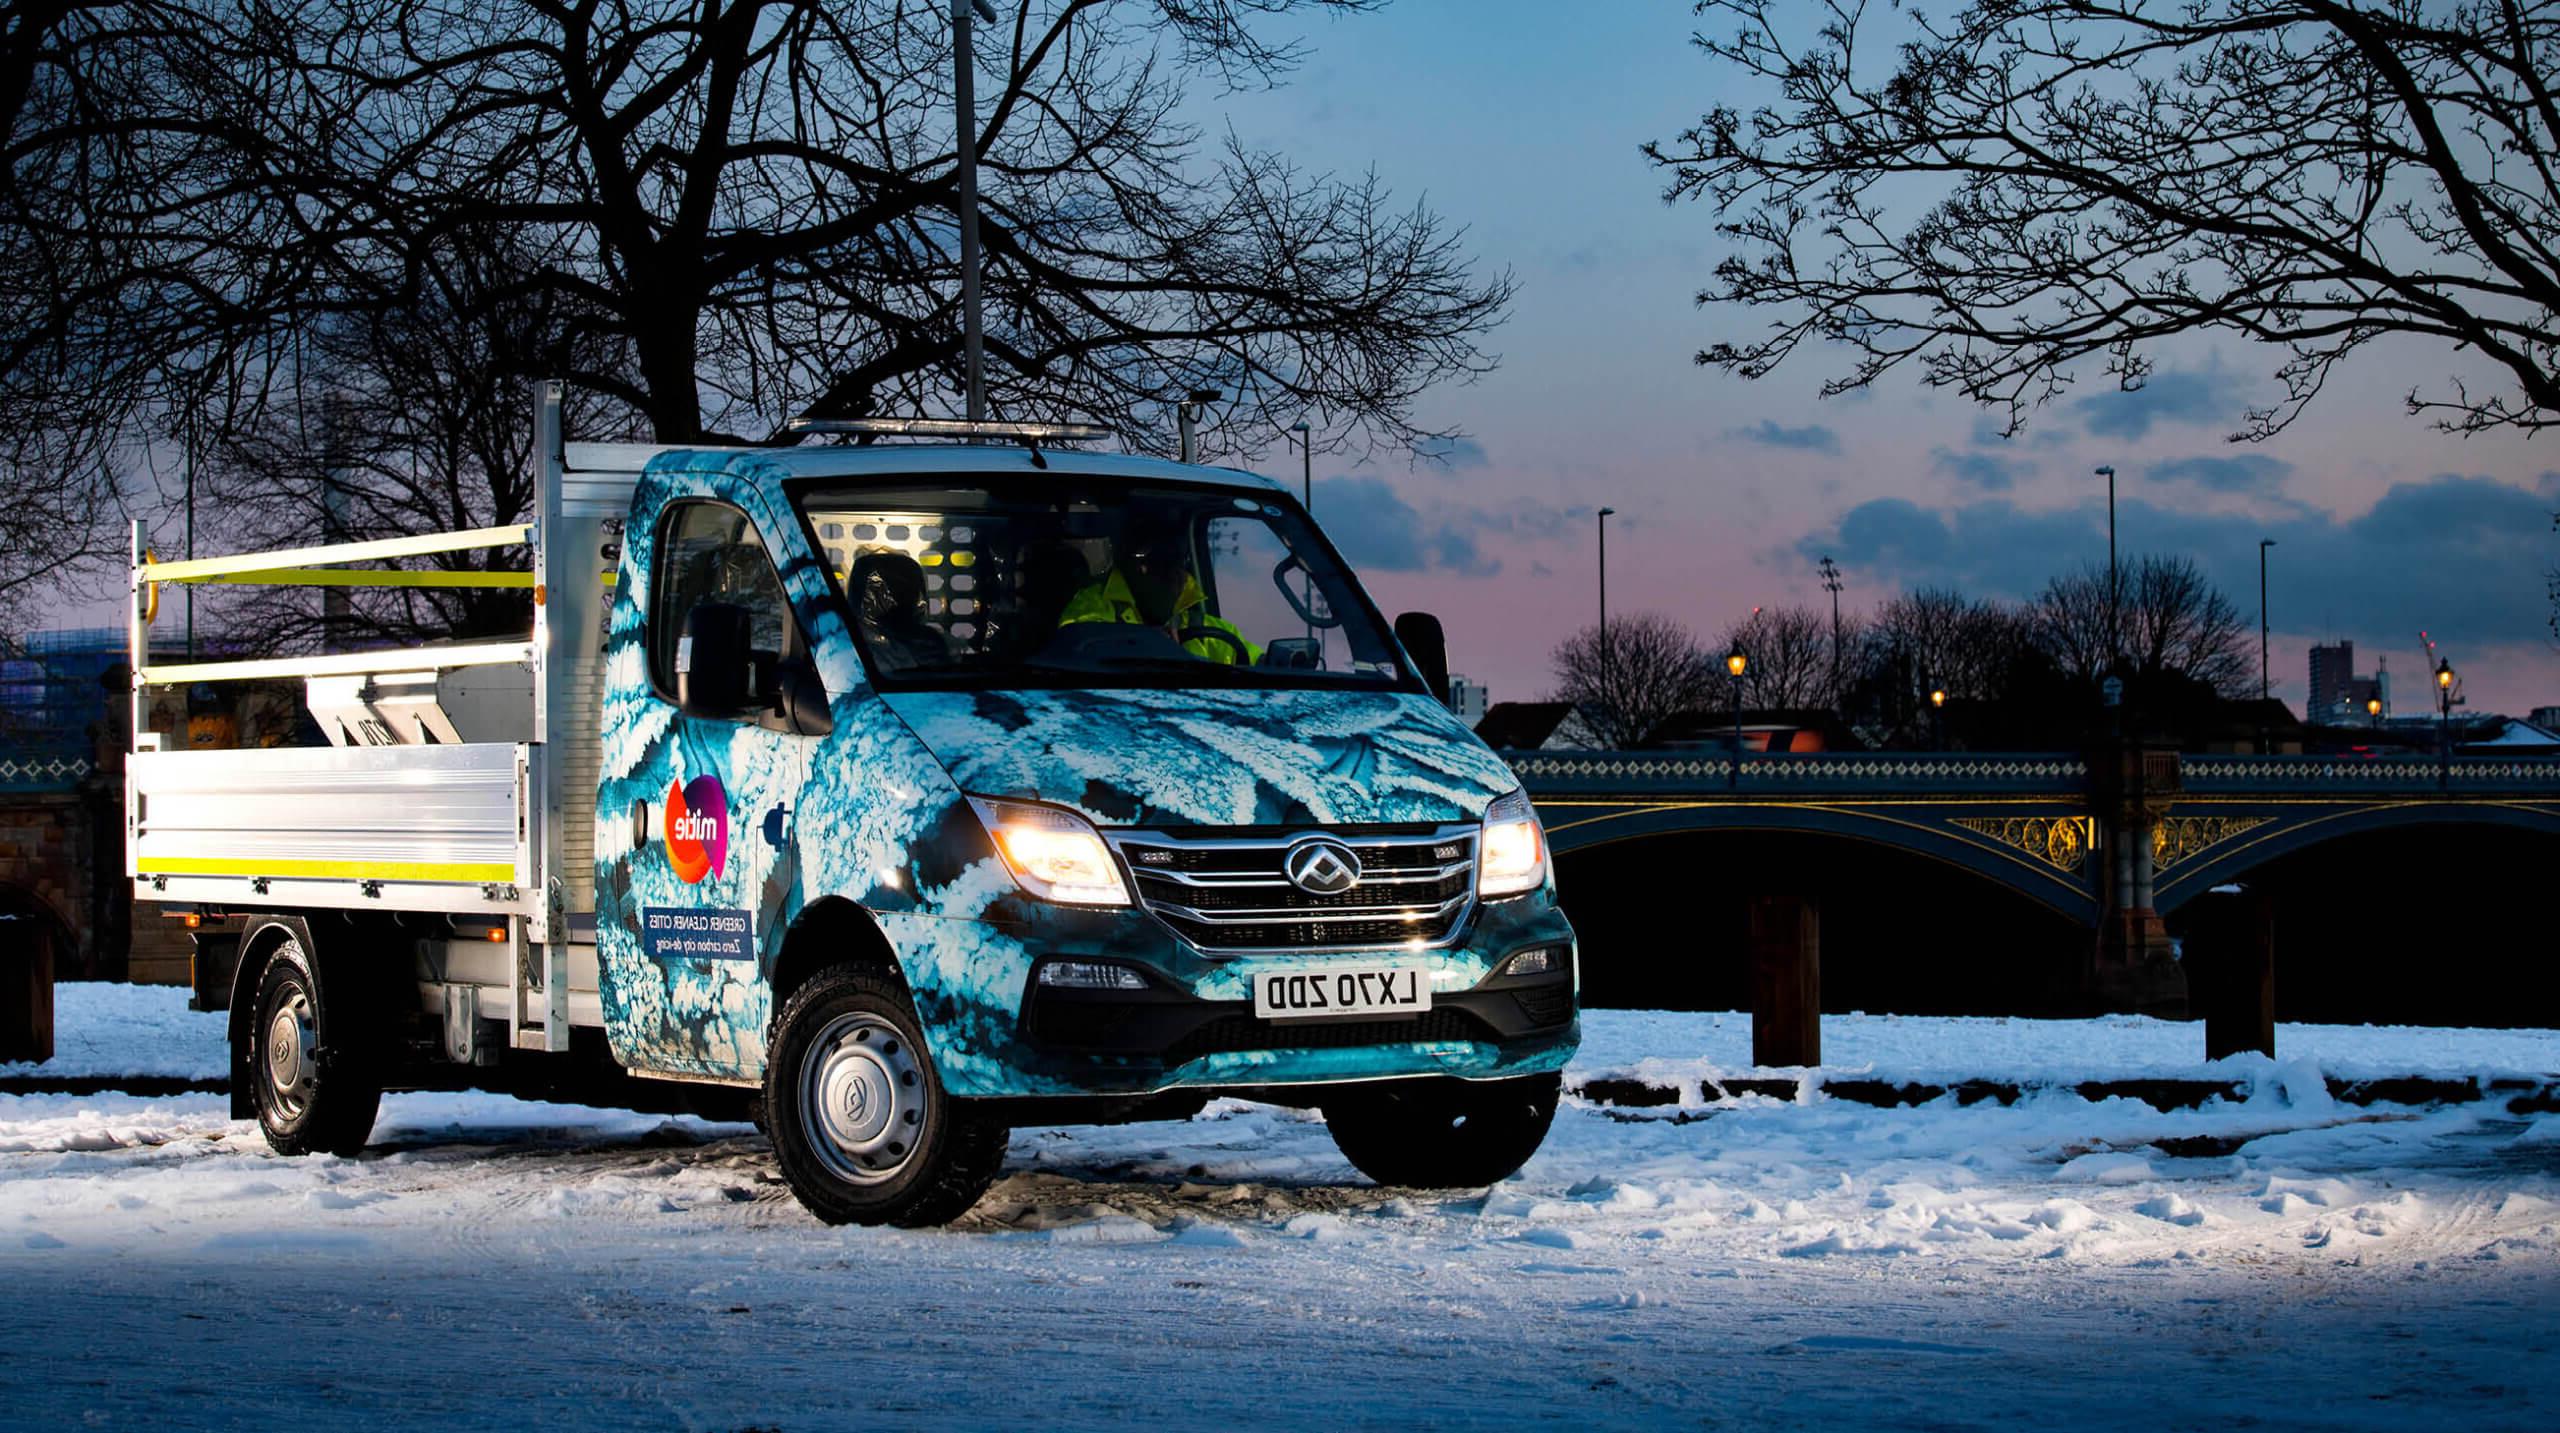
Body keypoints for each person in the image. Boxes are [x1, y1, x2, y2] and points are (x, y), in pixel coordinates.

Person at [1056, 516, 1261, 664]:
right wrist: (1146, 646)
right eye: (1153, 560)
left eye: (1176, 561)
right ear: (1128, 564)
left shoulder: (1214, 632)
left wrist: (1281, 661)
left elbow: (1260, 664)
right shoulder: (1091, 607)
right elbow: (1075, 657)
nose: (1168, 573)